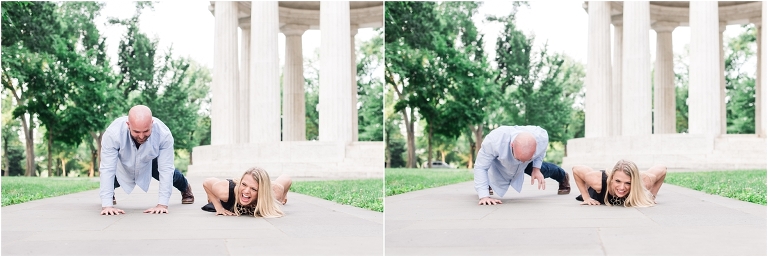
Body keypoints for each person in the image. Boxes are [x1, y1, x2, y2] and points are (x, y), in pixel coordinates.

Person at [99, 105, 195, 215]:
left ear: (152, 124)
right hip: (122, 162)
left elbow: (166, 169)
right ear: (128, 125)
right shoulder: (112, 134)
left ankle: (185, 187)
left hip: (150, 159)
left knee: (172, 175)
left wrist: (162, 205)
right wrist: (107, 206)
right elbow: (107, 168)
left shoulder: (163, 134)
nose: (141, 136)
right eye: (136, 132)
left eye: (146, 131)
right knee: (112, 177)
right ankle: (109, 194)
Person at [473, 125, 571, 205]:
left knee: (543, 170)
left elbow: (541, 151)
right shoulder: (494, 141)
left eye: (527, 159)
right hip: (499, 163)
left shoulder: (541, 137)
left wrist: (536, 168)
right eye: (519, 159)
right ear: (512, 145)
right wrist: (484, 196)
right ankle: (487, 185)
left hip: (528, 161)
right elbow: (481, 167)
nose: (522, 162)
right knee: (488, 168)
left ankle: (563, 176)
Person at [201, 167, 292, 218]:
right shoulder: (225, 191)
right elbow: (207, 182)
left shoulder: (275, 193)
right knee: (213, 197)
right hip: (229, 193)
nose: (246, 191)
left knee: (280, 199)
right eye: (244, 184)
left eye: (254, 189)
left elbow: (287, 178)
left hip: (267, 188)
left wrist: (283, 197)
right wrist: (218, 207)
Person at [572, 159, 667, 207]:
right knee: (590, 178)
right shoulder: (597, 181)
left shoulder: (644, 182)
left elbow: (662, 169)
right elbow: (576, 169)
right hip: (595, 190)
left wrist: (652, 196)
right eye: (618, 181)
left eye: (628, 183)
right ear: (612, 177)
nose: (622, 187)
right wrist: (586, 197)